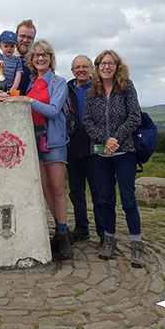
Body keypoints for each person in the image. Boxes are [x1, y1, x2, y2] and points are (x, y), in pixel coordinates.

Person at [7, 39, 73, 260]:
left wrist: (27, 100)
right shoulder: (32, 83)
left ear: (51, 58)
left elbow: (53, 110)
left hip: (53, 139)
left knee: (57, 189)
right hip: (33, 139)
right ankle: (61, 229)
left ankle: (63, 235)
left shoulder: (59, 82)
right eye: (36, 55)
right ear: (32, 60)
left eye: (44, 54)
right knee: (45, 188)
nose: (40, 58)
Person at [82, 50, 145, 268]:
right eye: (102, 63)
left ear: (117, 67)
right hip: (101, 154)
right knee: (106, 199)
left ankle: (137, 245)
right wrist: (105, 140)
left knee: (128, 200)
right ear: (97, 67)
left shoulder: (127, 88)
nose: (106, 67)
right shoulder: (93, 91)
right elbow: (87, 121)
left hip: (124, 152)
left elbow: (135, 116)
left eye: (111, 63)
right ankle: (109, 240)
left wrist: (115, 139)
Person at [67, 55, 104, 244]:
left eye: (84, 66)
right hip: (72, 148)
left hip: (94, 147)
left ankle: (104, 232)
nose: (80, 70)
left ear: (91, 69)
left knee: (99, 192)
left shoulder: (99, 87)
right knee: (76, 192)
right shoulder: (67, 88)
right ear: (72, 71)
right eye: (76, 67)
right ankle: (81, 228)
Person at [14, 19, 37, 95]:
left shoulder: (37, 63)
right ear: (16, 36)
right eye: (22, 36)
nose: (25, 40)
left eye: (29, 38)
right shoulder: (3, 60)